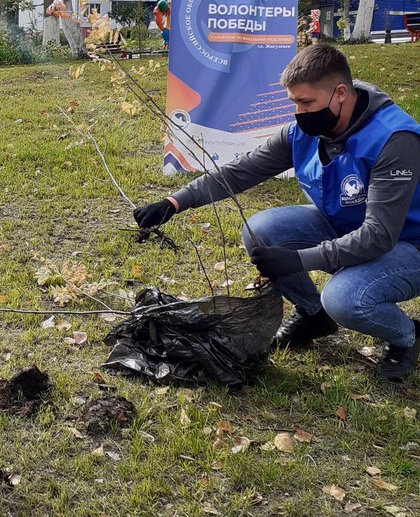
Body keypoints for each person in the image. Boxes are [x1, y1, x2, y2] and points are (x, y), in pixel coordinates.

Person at [134, 44, 420, 383]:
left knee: (344, 299)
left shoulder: (394, 139)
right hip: (344, 225)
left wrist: (301, 260)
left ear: (340, 93)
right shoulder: (304, 132)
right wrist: (175, 202)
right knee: (261, 231)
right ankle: (314, 317)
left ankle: (406, 338)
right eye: (294, 102)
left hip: (406, 245)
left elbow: (379, 236)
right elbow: (242, 170)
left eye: (306, 103)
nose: (299, 112)